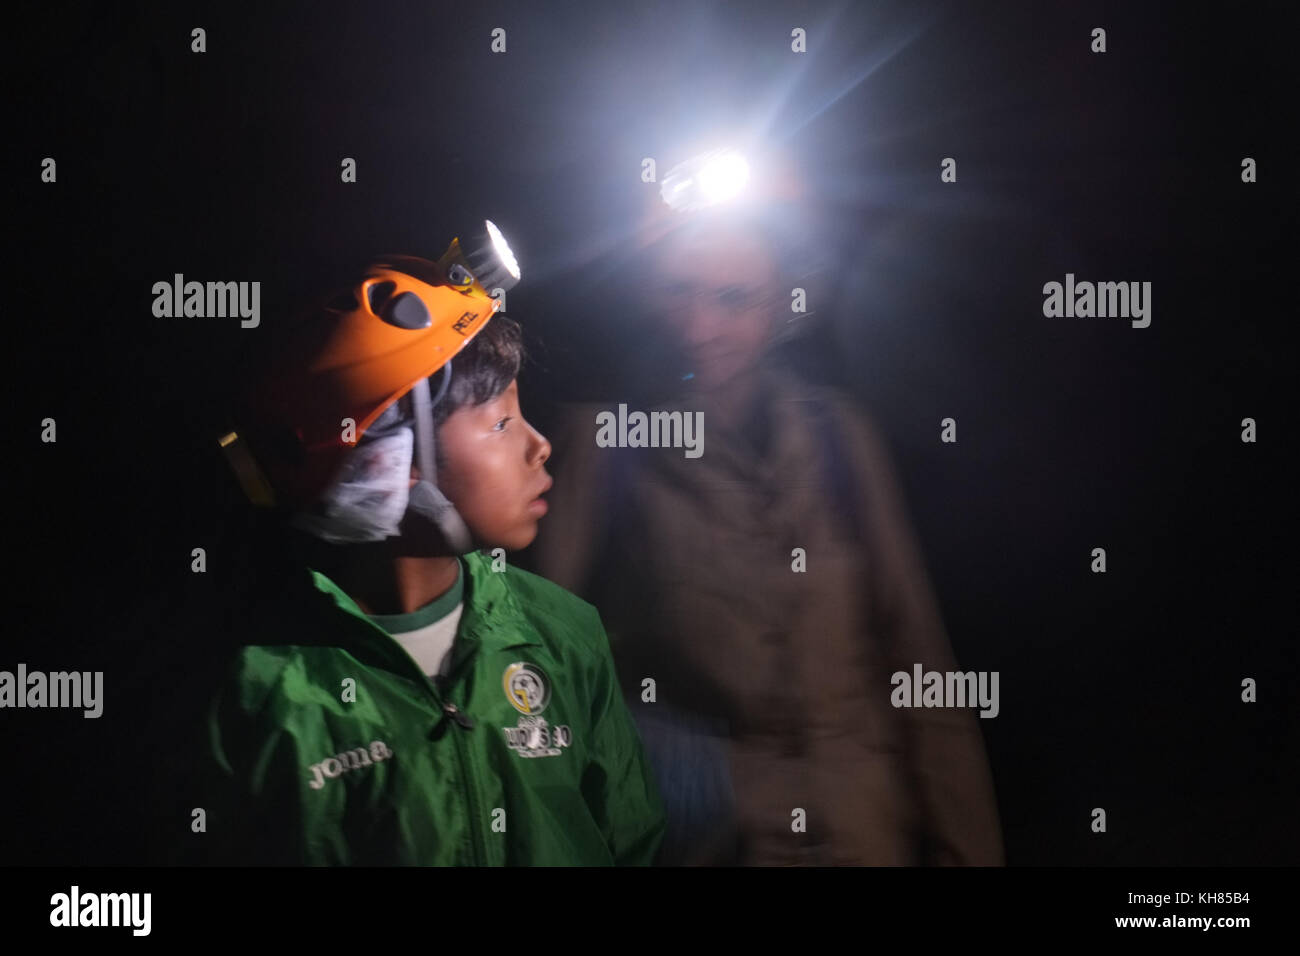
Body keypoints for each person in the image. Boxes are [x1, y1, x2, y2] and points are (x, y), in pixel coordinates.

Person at [167, 235, 664, 866]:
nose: (540, 445)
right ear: (386, 462)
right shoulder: (259, 687)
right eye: (502, 422)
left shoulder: (564, 633)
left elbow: (633, 844)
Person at [529, 210, 1005, 865]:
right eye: (678, 291)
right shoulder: (610, 444)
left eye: (733, 299)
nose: (700, 328)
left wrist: (967, 848)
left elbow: (919, 659)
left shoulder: (839, 436)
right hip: (714, 841)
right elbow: (542, 676)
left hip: (864, 834)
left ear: (784, 303)